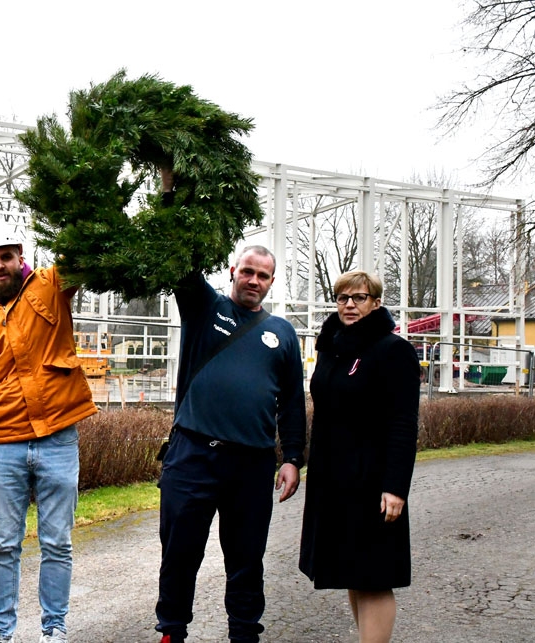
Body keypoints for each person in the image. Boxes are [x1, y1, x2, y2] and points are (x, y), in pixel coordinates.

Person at [155, 234, 307, 640]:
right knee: (180, 554)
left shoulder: (282, 333)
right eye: (247, 272)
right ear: (232, 273)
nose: (254, 280)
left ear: (271, 282)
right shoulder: (204, 307)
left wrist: (292, 457)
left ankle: (244, 634)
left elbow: (292, 401)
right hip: (192, 455)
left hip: (252, 464)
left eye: (263, 275)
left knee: (246, 559)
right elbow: (181, 256)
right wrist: (174, 188)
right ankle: (171, 631)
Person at [0, 221, 98, 643]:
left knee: (57, 542)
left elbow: (84, 247)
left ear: (20, 256)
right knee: (3, 545)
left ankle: (54, 629)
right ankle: (1, 632)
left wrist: (71, 197)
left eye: (6, 256)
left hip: (58, 438)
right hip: (3, 444)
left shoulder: (52, 285)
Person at [299, 271, 419, 642]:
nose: (349, 304)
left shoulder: (393, 350)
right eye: (342, 298)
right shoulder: (332, 348)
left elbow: (403, 423)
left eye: (360, 297)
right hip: (333, 482)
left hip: (372, 483)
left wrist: (395, 487)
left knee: (375, 577)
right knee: (352, 572)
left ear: (376, 302)